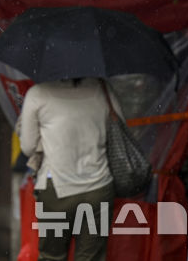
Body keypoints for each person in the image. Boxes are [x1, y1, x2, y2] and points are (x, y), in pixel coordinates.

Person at [18, 78, 122, 261]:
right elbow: (119, 128)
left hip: (56, 191)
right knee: (90, 257)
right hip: (98, 188)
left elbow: (28, 147)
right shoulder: (102, 89)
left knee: (52, 256)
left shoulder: (37, 94)